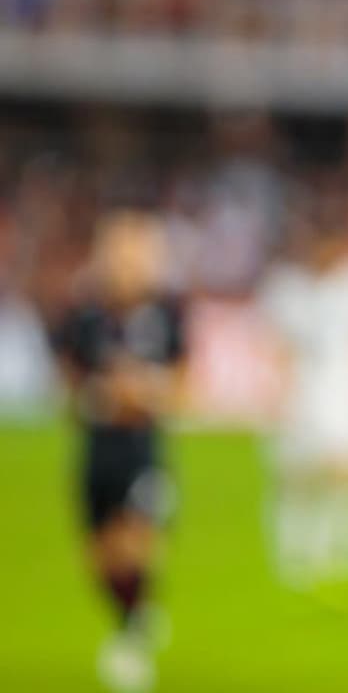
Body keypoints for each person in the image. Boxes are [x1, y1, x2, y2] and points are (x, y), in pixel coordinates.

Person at [53, 210, 184, 693]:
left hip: (142, 447)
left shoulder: (167, 315)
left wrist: (145, 393)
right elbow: (67, 384)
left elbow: (184, 383)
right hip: (96, 446)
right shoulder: (84, 317)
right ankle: (134, 611)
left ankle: (129, 640)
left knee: (137, 541)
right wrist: (100, 395)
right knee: (100, 557)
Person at [258, 197, 348, 590]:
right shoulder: (287, 288)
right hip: (302, 395)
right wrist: (277, 398)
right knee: (298, 480)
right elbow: (279, 349)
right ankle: (295, 554)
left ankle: (341, 551)